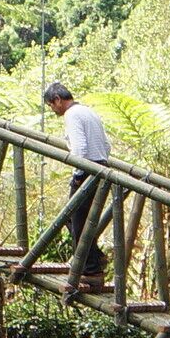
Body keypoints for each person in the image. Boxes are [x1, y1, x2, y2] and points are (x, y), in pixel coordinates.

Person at [41, 81, 113, 286]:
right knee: (79, 219)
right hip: (100, 167)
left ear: (57, 100)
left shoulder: (71, 115)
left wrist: (78, 175)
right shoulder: (88, 111)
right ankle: (95, 257)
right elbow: (107, 146)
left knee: (77, 221)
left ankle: (92, 271)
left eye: (51, 105)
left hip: (87, 170)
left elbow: (79, 148)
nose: (53, 109)